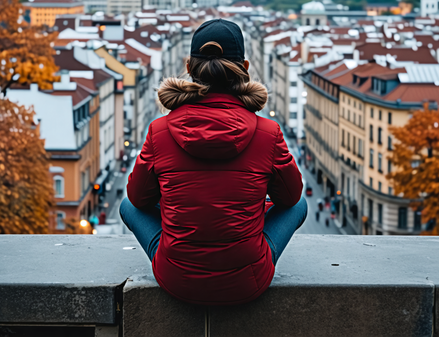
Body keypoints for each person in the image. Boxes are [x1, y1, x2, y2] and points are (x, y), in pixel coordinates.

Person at [119, 19, 307, 306]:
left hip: (176, 280)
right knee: (301, 204)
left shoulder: (159, 131)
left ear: (190, 68)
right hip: (248, 283)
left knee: (127, 204)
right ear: (244, 68)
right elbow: (291, 198)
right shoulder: (268, 134)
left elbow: (138, 199)